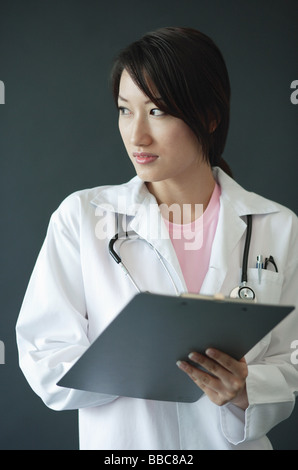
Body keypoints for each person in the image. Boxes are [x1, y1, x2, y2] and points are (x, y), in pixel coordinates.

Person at [16, 27, 298, 450]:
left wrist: (246, 388)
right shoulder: (82, 217)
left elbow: (290, 360)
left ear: (209, 116)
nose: (137, 136)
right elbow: (43, 358)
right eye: (125, 110)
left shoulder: (277, 226)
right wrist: (138, 360)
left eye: (158, 111)